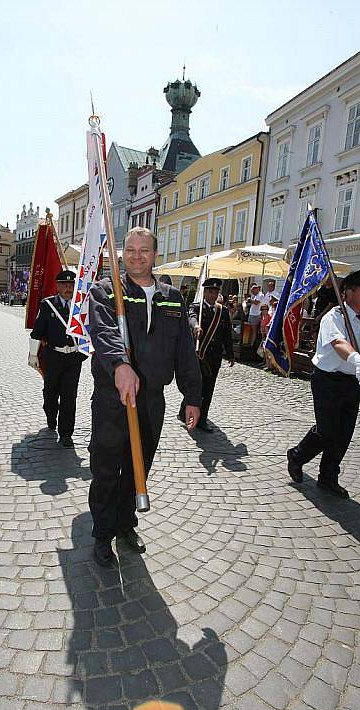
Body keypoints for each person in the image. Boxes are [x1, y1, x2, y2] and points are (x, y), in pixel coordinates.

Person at [88, 227, 202, 566]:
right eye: (131, 250)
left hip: (152, 398)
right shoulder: (107, 291)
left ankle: (126, 524)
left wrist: (192, 396)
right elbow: (104, 331)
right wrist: (120, 364)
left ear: (155, 254)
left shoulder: (172, 297)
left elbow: (185, 351)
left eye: (145, 250)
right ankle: (102, 533)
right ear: (123, 254)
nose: (137, 256)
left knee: (138, 466)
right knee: (107, 467)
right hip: (114, 396)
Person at [287, 268, 360, 499]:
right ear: (348, 292)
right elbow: (339, 343)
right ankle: (297, 455)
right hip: (328, 379)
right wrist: (356, 360)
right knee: (327, 430)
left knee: (343, 434)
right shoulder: (335, 316)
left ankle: (328, 476)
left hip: (351, 382)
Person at [29, 270, 86, 447]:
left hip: (73, 358)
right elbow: (37, 333)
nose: (68, 288)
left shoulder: (81, 306)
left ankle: (66, 434)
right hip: (53, 356)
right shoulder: (48, 305)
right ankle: (51, 416)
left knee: (70, 397)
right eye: (65, 285)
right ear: (57, 286)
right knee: (50, 393)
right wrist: (32, 355)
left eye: (71, 285)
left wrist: (85, 351)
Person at [179, 277, 234, 433]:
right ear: (204, 292)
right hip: (198, 355)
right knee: (195, 386)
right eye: (210, 291)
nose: (212, 295)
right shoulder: (196, 307)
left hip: (214, 357)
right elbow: (191, 318)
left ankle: (202, 419)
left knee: (208, 388)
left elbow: (226, 334)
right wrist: (196, 326)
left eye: (215, 292)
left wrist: (230, 354)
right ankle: (184, 410)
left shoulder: (222, 311)